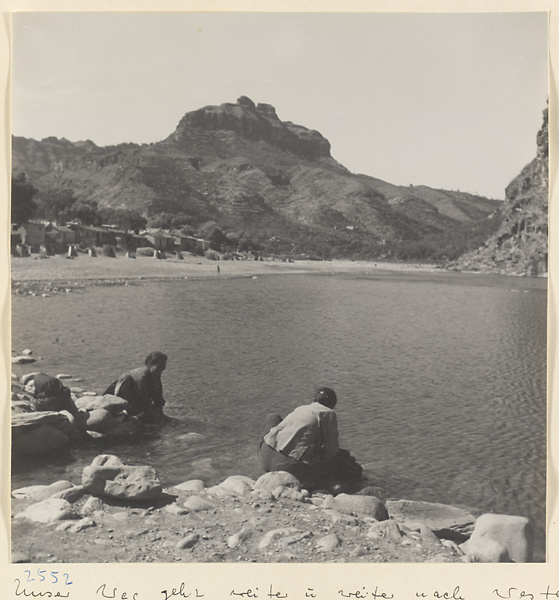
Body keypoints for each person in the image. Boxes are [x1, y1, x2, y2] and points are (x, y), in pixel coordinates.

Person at [257, 387, 362, 491]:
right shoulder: (329, 413)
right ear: (332, 405)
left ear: (313, 400)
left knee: (272, 417)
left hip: (264, 456)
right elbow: (331, 451)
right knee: (338, 460)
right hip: (283, 468)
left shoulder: (301, 408)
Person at [105, 351, 168, 423]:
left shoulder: (155, 374)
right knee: (126, 378)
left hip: (136, 395)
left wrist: (161, 413)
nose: (162, 367)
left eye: (164, 365)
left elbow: (158, 393)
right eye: (160, 365)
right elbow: (144, 399)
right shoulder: (142, 376)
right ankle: (128, 413)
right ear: (151, 364)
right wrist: (154, 416)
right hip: (119, 393)